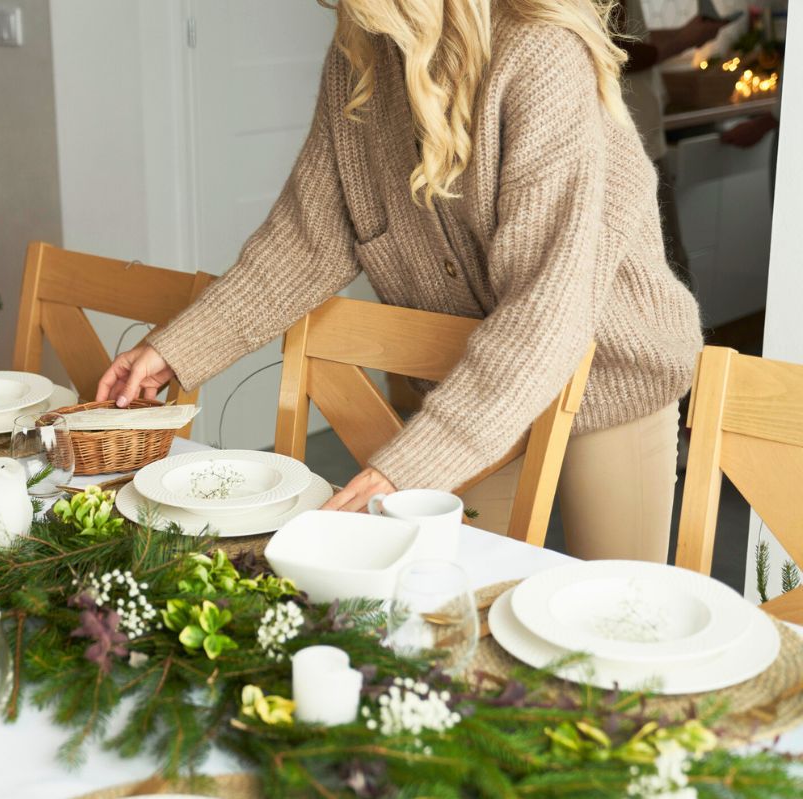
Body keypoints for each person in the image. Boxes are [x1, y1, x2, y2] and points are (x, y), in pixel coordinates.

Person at [96, 0, 704, 563]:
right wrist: (174, 347)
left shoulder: (540, 52)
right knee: (448, 594)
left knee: (621, 620)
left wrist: (411, 466)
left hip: (611, 374)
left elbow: (545, 312)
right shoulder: (360, 59)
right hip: (474, 380)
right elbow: (305, 242)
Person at [613, 3, 731, 288]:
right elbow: (613, 50)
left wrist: (685, 33)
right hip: (632, 140)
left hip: (640, 134)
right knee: (667, 266)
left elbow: (629, 37)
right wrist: (683, 41)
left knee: (667, 261)